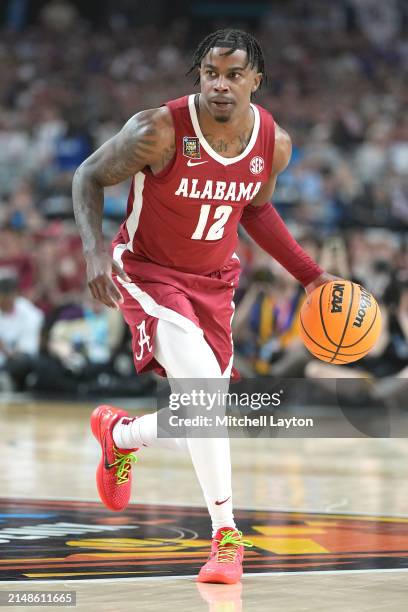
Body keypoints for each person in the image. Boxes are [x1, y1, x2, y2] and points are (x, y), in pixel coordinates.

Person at [72, 29, 334, 584]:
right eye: (211, 73)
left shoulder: (273, 144)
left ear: (255, 80)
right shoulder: (157, 130)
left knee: (202, 411)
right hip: (148, 272)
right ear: (200, 76)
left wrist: (311, 275)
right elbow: (87, 175)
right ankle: (226, 537)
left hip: (214, 285)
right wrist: (95, 252)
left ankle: (120, 436)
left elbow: (256, 209)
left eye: (234, 75)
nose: (220, 84)